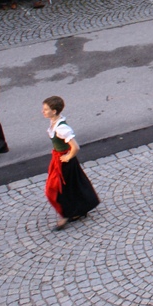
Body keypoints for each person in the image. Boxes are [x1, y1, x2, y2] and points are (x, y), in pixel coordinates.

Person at [42, 95, 100, 231]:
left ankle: (67, 214)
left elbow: (75, 146)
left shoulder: (61, 129)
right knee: (72, 185)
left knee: (58, 188)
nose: (43, 112)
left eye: (46, 109)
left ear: (54, 111)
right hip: (59, 158)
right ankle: (80, 208)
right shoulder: (56, 123)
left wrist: (67, 157)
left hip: (64, 161)